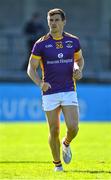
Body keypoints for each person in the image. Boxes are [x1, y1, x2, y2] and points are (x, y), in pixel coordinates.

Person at [27, 8, 84, 172]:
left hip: (68, 89)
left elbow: (79, 60)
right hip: (50, 92)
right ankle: (58, 166)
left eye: (57, 20)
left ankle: (66, 143)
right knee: (54, 130)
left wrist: (79, 70)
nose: (53, 23)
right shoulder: (41, 44)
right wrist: (40, 83)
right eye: (51, 20)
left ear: (64, 22)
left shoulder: (73, 41)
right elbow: (31, 68)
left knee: (73, 127)